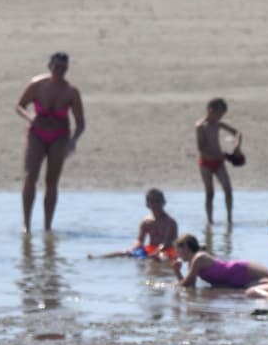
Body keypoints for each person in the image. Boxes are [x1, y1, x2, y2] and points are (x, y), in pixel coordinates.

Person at [16, 52, 85, 233]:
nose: (60, 71)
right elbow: (19, 105)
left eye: (63, 68)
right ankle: (26, 224)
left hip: (59, 136)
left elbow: (80, 123)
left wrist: (73, 141)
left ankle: (47, 226)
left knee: (51, 181)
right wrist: (30, 116)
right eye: (57, 67)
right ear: (50, 66)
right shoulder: (37, 85)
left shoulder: (71, 91)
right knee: (31, 177)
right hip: (37, 134)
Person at [92, 189, 179, 259]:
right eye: (152, 202)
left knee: (161, 257)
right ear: (147, 204)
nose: (155, 204)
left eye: (158, 201)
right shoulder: (146, 222)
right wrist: (132, 248)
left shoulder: (170, 222)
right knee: (125, 253)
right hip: (151, 248)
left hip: (167, 250)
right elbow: (140, 240)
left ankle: (159, 277)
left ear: (163, 202)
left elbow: (167, 242)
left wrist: (157, 251)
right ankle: (97, 258)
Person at [196, 98, 242, 226]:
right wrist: (218, 156)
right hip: (206, 163)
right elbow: (201, 148)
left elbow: (237, 133)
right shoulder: (200, 126)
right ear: (211, 110)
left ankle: (229, 219)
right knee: (210, 193)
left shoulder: (218, 124)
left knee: (228, 189)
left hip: (219, 163)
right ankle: (210, 220)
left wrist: (237, 147)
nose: (220, 117)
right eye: (219, 114)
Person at [171, 234, 268, 288]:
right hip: (235, 282)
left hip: (240, 269)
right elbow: (191, 286)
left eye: (178, 251)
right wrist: (177, 272)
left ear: (186, 248)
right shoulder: (192, 263)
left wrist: (166, 286)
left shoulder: (199, 258)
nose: (177, 254)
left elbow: (186, 283)